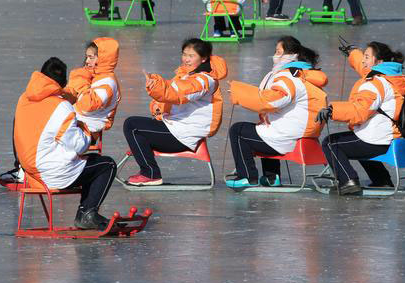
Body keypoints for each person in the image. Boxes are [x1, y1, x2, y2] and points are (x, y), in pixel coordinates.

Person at [13, 57, 118, 230]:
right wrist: (86, 129)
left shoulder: (23, 99)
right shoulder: (60, 107)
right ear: (61, 84)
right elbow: (79, 145)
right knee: (106, 164)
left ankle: (86, 213)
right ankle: (87, 214)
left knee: (87, 162)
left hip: (29, 172)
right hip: (51, 174)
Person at [122, 39, 227, 186]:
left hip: (182, 136)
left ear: (203, 58)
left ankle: (150, 173)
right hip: (175, 128)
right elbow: (172, 90)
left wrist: (157, 87)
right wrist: (156, 88)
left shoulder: (205, 80)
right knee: (137, 125)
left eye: (191, 56)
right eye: (184, 54)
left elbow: (179, 93)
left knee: (132, 125)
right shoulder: (187, 75)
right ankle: (149, 171)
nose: (186, 59)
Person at [227, 37, 328, 188]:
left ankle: (247, 176)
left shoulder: (288, 76)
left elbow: (273, 101)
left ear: (291, 55)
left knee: (238, 130)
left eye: (279, 52)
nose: (275, 55)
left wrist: (239, 93)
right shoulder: (303, 74)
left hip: (288, 137)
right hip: (301, 134)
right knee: (262, 128)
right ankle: (272, 177)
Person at [318, 41, 405, 195]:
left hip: (377, 140)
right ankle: (382, 180)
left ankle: (348, 181)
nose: (364, 60)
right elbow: (363, 67)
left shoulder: (375, 83)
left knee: (330, 143)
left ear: (378, 62)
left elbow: (359, 111)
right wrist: (353, 53)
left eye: (367, 57)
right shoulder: (390, 77)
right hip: (390, 136)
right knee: (356, 138)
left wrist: (332, 110)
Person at [62, 38, 122, 146]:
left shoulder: (108, 83)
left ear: (102, 59)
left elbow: (87, 105)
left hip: (86, 131)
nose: (86, 61)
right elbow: (74, 94)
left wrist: (79, 79)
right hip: (76, 124)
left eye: (91, 57)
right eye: (87, 57)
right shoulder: (94, 76)